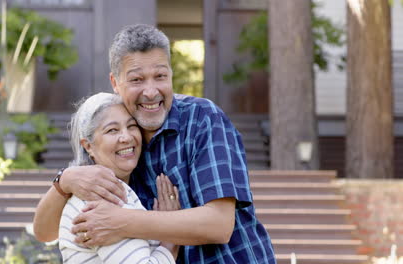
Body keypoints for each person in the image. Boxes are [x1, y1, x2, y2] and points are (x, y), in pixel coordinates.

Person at [34, 24, 276, 263]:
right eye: (137, 79)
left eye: (160, 76)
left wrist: (120, 221)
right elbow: (45, 233)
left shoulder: (202, 118)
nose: (151, 92)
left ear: (171, 75)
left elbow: (219, 225)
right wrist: (64, 180)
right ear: (116, 83)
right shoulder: (122, 147)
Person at [57, 92, 180, 263]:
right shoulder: (102, 198)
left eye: (131, 126)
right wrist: (170, 240)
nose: (126, 137)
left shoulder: (114, 192)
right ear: (88, 146)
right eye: (112, 130)